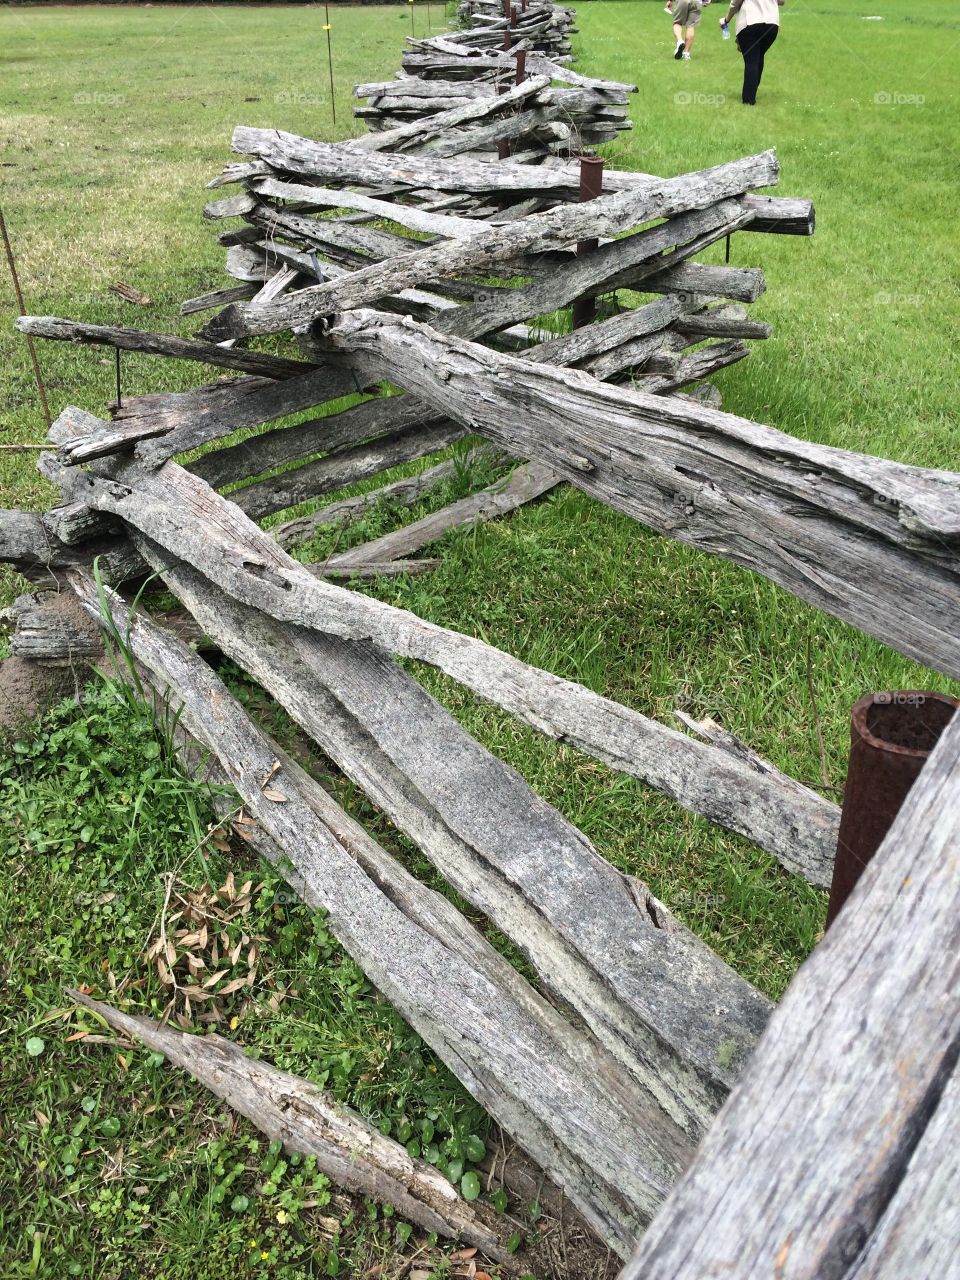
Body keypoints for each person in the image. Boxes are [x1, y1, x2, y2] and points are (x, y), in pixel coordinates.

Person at [719, 0, 784, 104]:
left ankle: (749, 99)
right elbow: (781, 1)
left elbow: (735, 3)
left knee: (752, 60)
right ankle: (751, 91)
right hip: (772, 25)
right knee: (758, 56)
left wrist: (726, 20)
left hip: (750, 22)